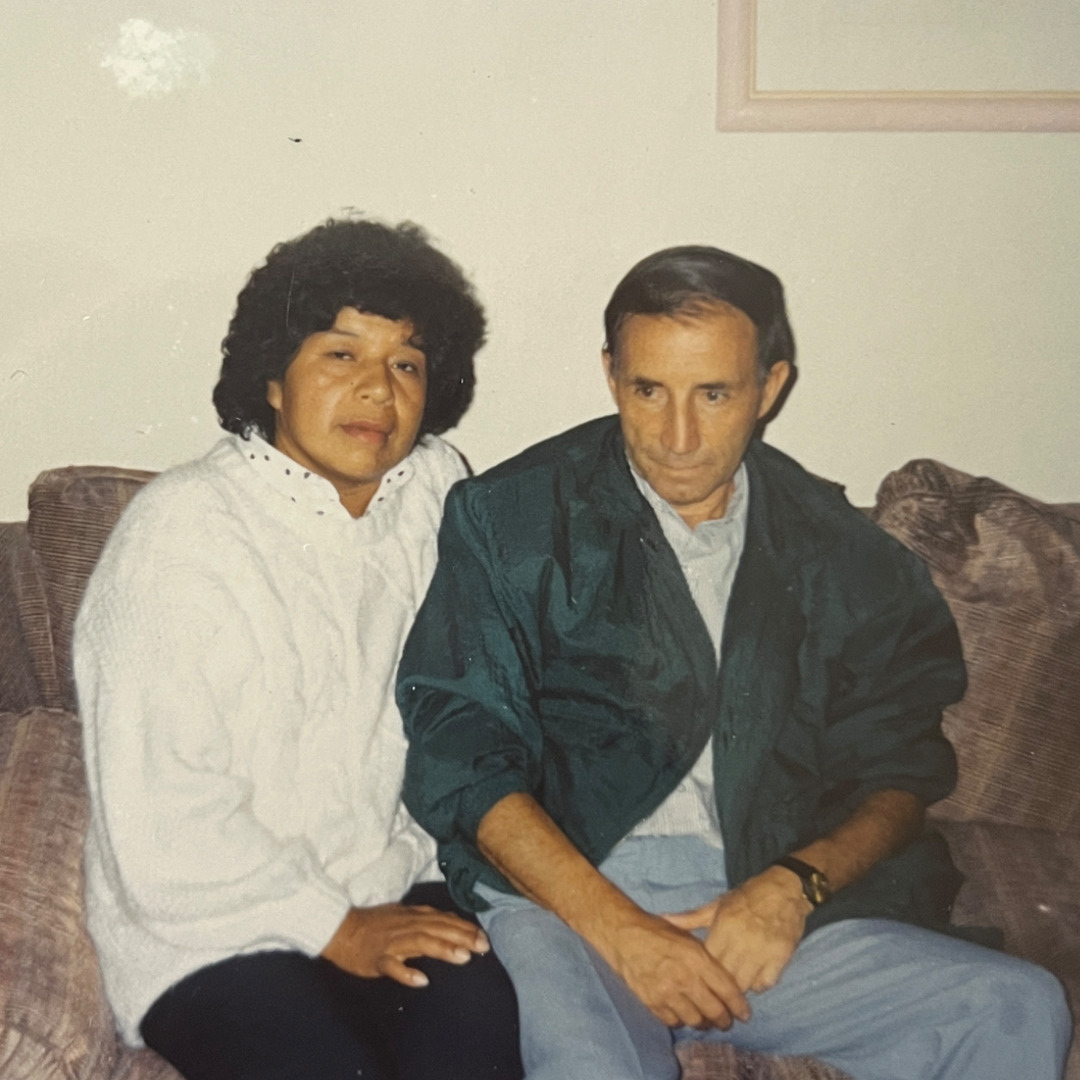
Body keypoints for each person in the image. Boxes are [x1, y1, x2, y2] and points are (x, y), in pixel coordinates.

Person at [397, 245, 1071, 1080]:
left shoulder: (842, 551)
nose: (678, 438)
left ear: (770, 386)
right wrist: (618, 929)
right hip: (570, 903)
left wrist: (795, 887)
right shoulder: (510, 519)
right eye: (650, 390)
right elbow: (461, 755)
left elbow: (900, 772)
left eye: (713, 394)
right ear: (611, 375)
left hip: (763, 903)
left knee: (1015, 1006)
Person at [74, 217, 522, 1080]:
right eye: (341, 355)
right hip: (212, 927)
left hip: (396, 882)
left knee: (479, 1040)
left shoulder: (435, 493)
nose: (377, 390)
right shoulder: (181, 533)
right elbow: (162, 826)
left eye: (406, 364)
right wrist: (336, 927)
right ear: (274, 379)